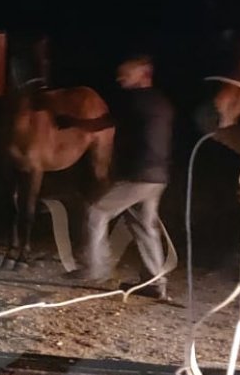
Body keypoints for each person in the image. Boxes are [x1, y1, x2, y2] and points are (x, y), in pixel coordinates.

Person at [66, 54, 175, 299]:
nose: (119, 77)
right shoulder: (161, 102)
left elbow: (103, 123)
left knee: (96, 211)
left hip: (137, 175)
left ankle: (94, 268)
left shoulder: (133, 101)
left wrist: (72, 122)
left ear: (144, 73)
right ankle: (155, 283)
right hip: (158, 176)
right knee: (145, 227)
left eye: (126, 73)